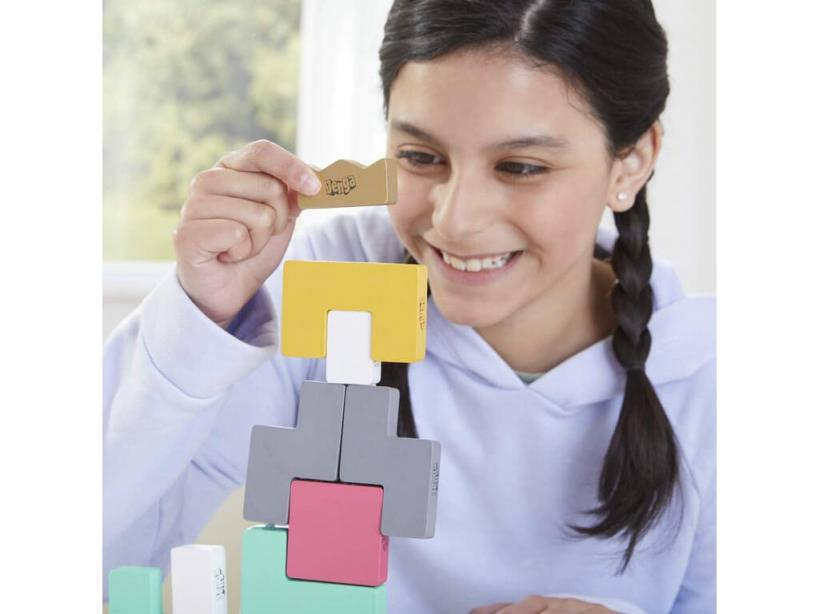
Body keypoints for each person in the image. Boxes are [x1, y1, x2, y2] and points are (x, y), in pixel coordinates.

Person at [103, 0, 715, 612]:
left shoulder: (711, 374)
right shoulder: (327, 286)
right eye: (420, 157)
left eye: (521, 167)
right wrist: (199, 321)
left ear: (632, 161)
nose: (455, 220)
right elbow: (101, 556)